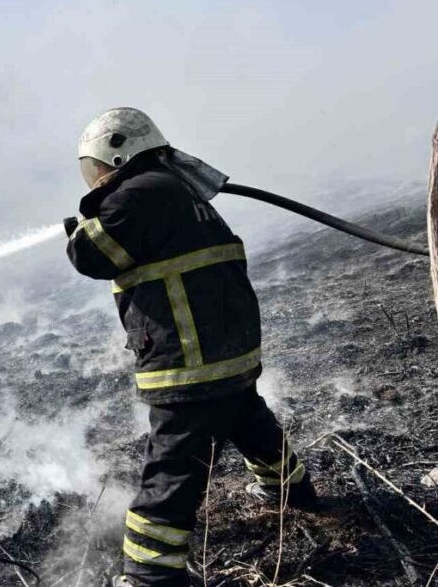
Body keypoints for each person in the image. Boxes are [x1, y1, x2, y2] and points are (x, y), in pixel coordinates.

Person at [64, 108, 319, 587]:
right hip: (227, 354)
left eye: (94, 169)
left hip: (188, 363)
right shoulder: (176, 189)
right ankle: (291, 491)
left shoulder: (138, 194)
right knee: (249, 422)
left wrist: (83, 219)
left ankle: (149, 575)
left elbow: (91, 256)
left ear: (115, 155)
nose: (94, 179)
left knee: (171, 471)